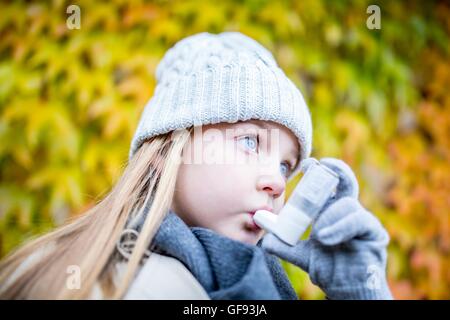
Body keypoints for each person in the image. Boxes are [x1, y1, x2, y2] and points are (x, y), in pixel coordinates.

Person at [0, 32, 392, 300]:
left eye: (287, 166)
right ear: (173, 146)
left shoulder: (238, 283)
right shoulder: (120, 285)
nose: (276, 181)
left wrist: (360, 291)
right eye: (250, 141)